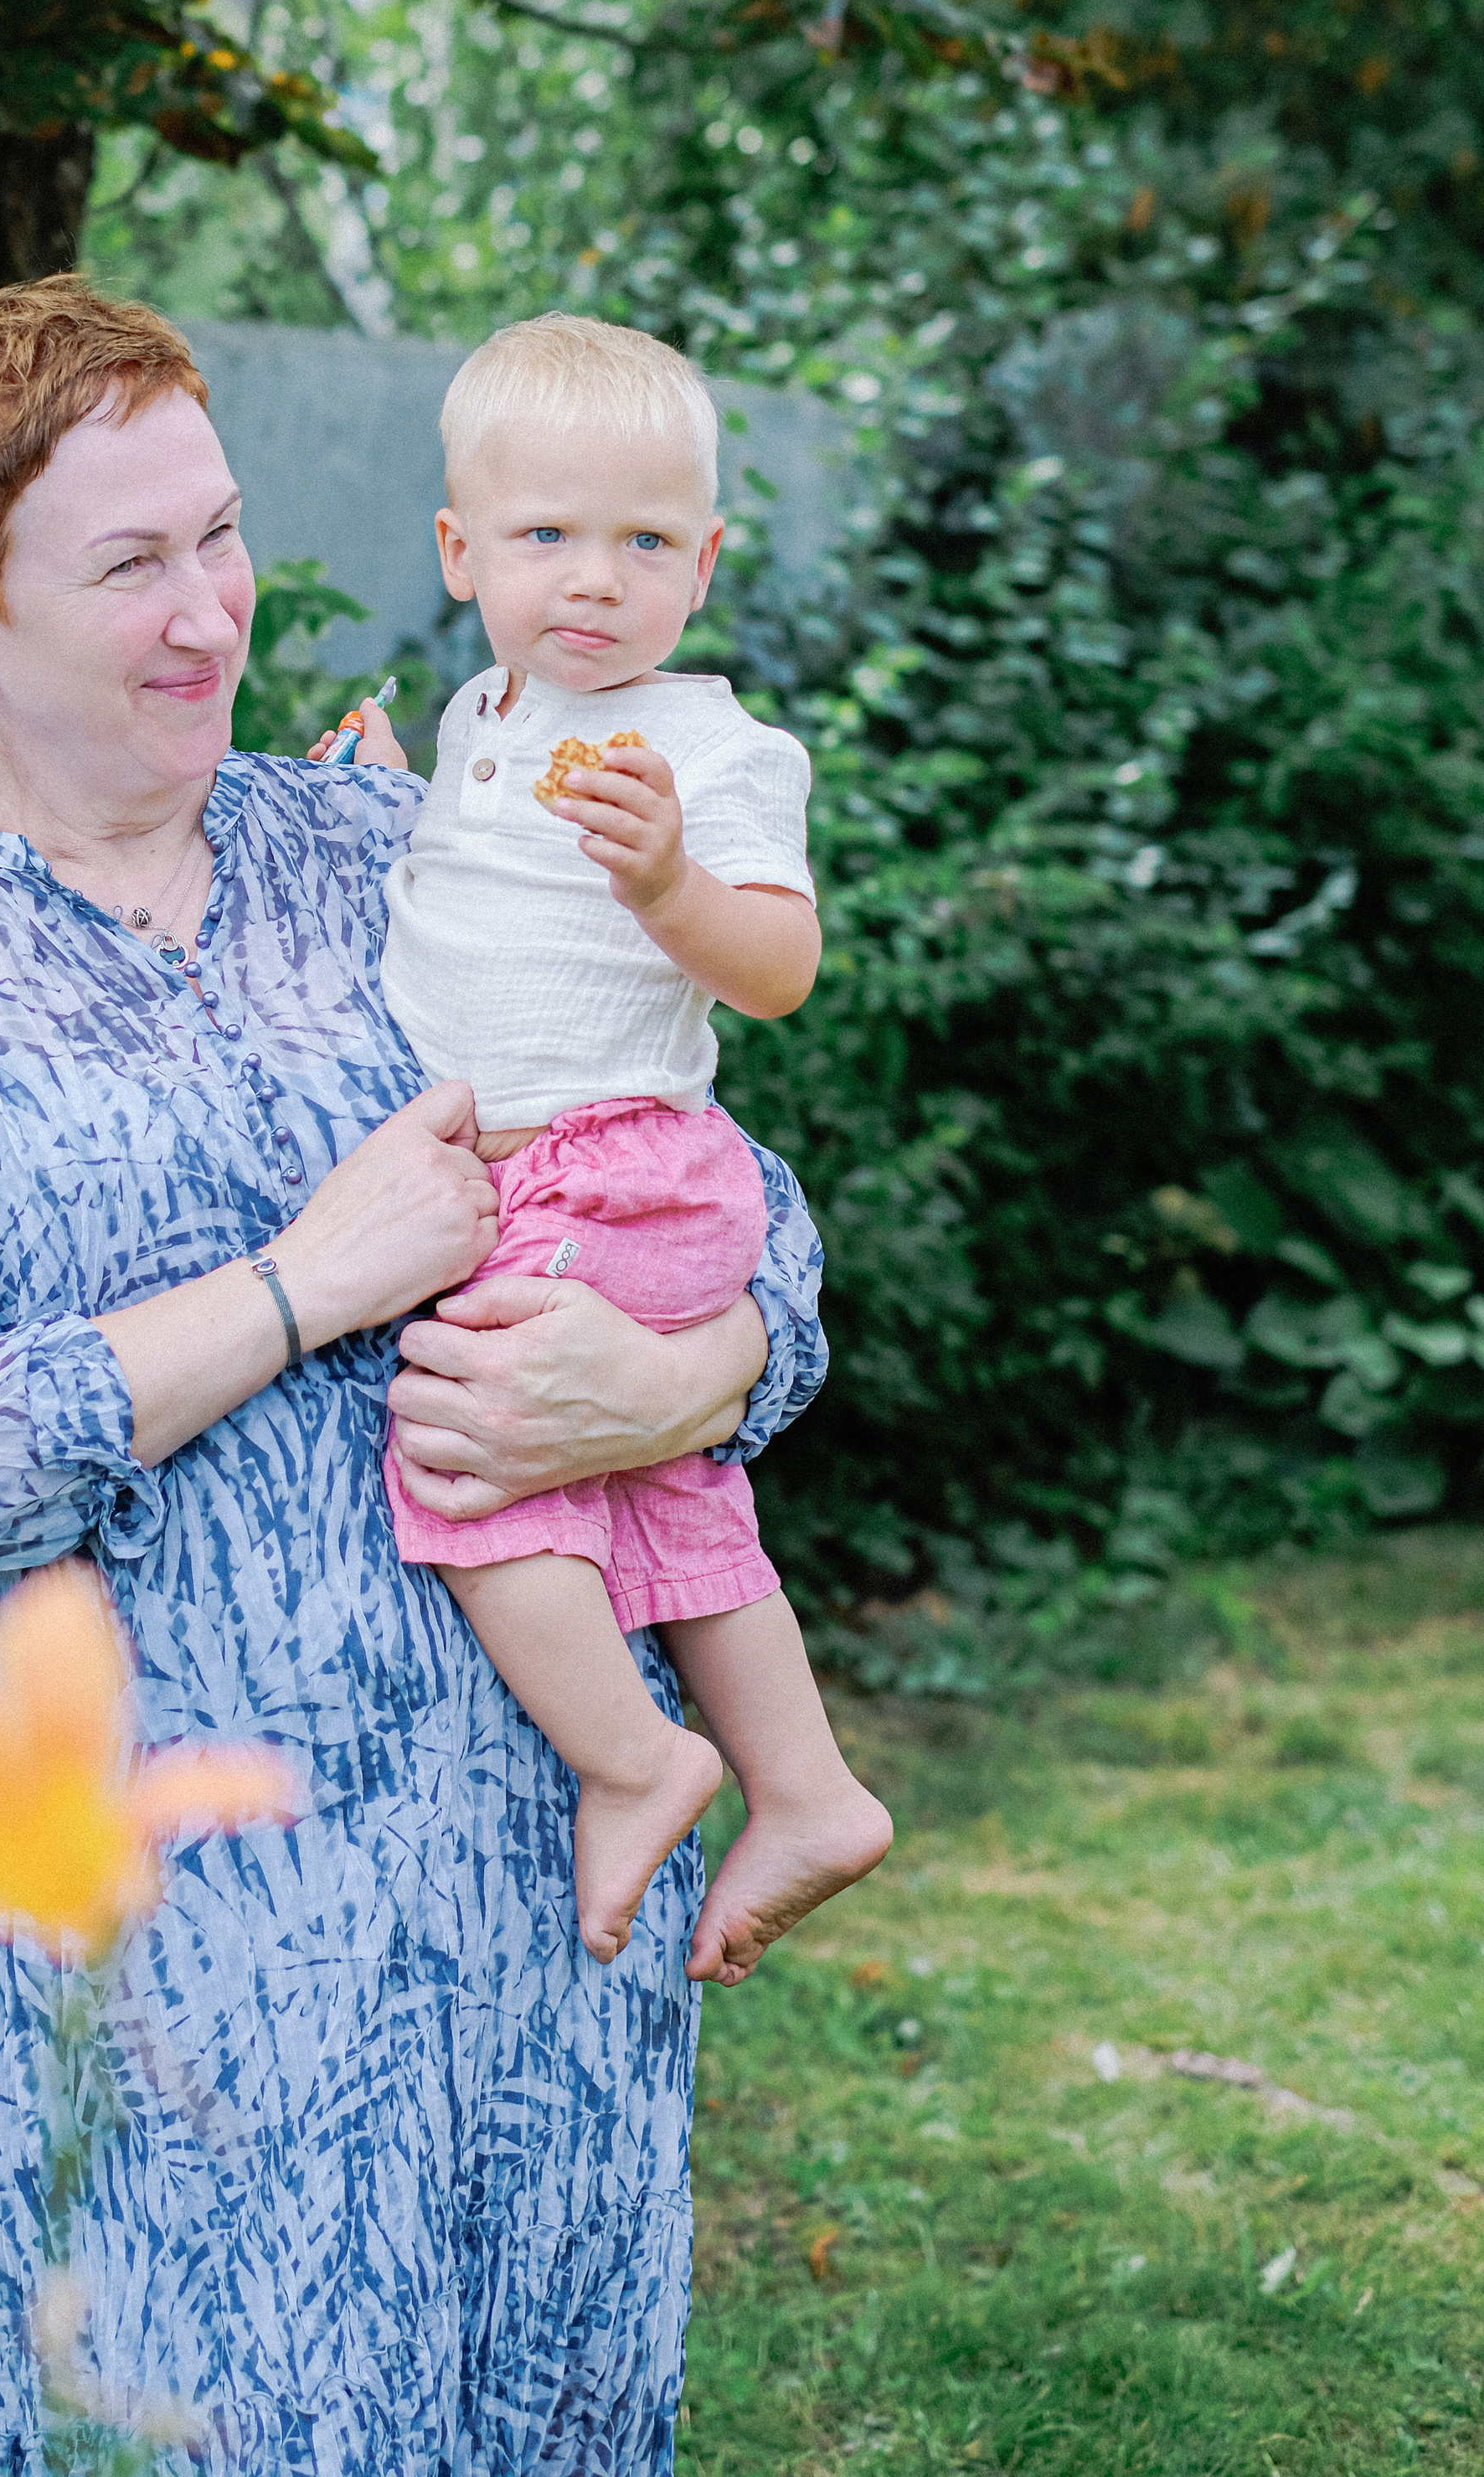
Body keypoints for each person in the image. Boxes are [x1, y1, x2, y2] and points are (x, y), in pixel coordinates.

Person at [0, 276, 840, 2477]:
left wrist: (685, 1372)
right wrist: (294, 1287)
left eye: (218, 536)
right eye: (128, 565)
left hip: (540, 1900)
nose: (208, 613)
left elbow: (749, 1216)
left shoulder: (391, 836)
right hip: (169, 1988)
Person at [337, 313, 890, 1974]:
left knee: (467, 1458)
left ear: (703, 564)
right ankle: (802, 1786)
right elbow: (465, 907)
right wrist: (387, 803)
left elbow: (779, 971)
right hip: (565, 1177)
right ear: (460, 552)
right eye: (544, 538)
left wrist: (665, 883)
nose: (592, 579)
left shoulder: (707, 752)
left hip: (605, 1167)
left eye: (641, 542)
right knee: (656, 1483)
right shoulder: (474, 718)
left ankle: (634, 1763)